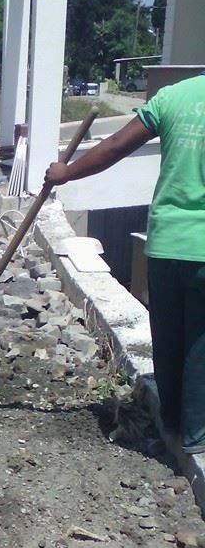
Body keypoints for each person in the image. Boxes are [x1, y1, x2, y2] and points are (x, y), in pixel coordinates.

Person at [45, 73, 205, 453]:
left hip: (168, 243)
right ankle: (196, 433)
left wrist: (67, 172)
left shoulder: (175, 97)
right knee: (200, 341)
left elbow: (117, 144)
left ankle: (171, 420)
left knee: (167, 336)